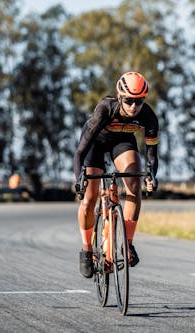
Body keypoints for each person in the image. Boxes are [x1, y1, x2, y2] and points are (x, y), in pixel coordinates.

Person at [73, 71, 159, 278]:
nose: (133, 107)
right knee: (89, 199)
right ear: (120, 97)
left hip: (122, 142)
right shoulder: (105, 109)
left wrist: (152, 175)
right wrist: (79, 179)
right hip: (95, 144)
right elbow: (80, 152)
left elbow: (152, 156)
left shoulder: (148, 116)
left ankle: (127, 244)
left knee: (134, 185)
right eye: (129, 101)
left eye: (139, 101)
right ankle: (86, 249)